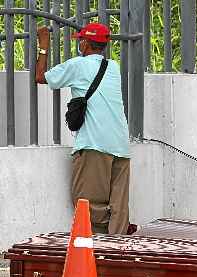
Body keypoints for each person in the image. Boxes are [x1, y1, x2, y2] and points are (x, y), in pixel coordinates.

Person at [36, 23, 130, 235]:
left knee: (86, 203)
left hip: (94, 144)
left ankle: (97, 253)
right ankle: (118, 249)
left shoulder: (78, 65)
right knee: (119, 207)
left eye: (80, 40)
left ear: (85, 43)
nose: (79, 44)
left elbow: (41, 77)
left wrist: (43, 47)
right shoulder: (113, 67)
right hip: (121, 145)